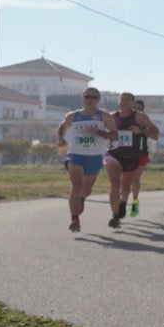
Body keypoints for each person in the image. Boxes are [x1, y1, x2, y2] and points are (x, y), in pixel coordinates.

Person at [56, 88, 115, 232]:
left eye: (94, 97)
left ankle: (82, 199)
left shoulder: (104, 116)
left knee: (86, 189)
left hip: (94, 157)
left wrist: (99, 132)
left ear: (98, 100)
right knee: (76, 185)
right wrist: (61, 138)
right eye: (87, 96)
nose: (90, 99)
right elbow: (62, 127)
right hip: (75, 155)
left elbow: (114, 136)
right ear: (83, 98)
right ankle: (74, 219)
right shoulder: (73, 116)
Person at [104, 91, 158, 228]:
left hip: (132, 156)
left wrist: (141, 131)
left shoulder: (140, 117)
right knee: (115, 185)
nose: (124, 102)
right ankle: (115, 216)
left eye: (128, 100)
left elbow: (156, 134)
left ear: (133, 103)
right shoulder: (110, 117)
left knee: (126, 185)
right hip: (113, 155)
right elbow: (102, 133)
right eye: (122, 99)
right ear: (118, 102)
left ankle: (123, 203)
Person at [128, 99, 155, 216]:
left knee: (135, 179)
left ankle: (134, 202)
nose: (137, 110)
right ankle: (122, 197)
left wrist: (142, 131)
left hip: (141, 154)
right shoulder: (126, 120)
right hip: (125, 154)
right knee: (125, 180)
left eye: (140, 108)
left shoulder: (145, 121)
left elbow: (154, 134)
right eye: (135, 108)